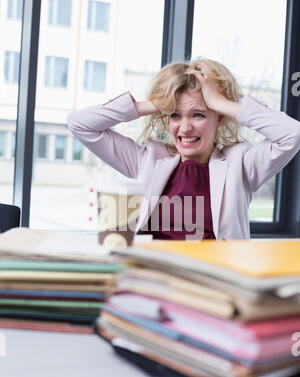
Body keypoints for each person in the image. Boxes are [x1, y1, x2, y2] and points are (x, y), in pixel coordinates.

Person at [67, 58, 300, 240]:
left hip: (212, 283)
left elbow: (292, 133)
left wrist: (221, 103)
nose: (185, 127)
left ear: (218, 118)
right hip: (152, 278)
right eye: (175, 115)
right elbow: (80, 123)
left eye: (198, 114)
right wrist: (154, 103)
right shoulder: (147, 160)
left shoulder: (241, 164)